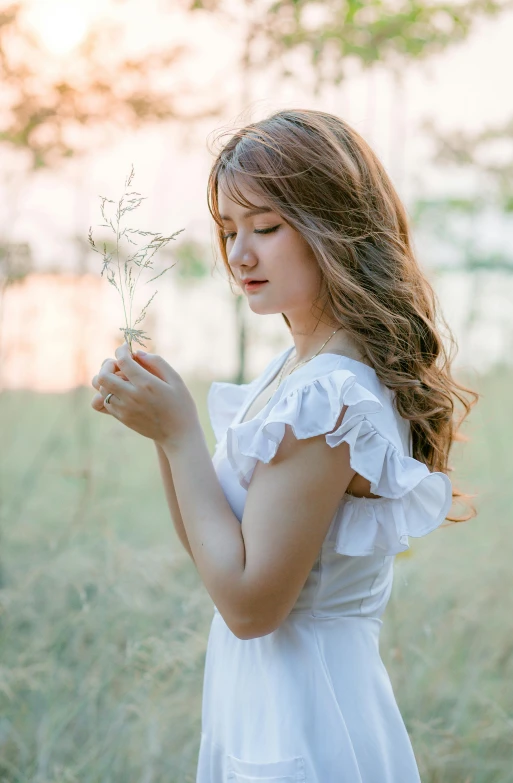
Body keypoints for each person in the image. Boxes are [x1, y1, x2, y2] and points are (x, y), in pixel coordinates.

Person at [92, 108, 478, 782]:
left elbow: (249, 606)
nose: (240, 254)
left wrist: (181, 431)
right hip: (263, 710)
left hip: (308, 722)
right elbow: (219, 555)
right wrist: (160, 430)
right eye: (229, 229)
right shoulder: (293, 371)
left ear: (334, 230)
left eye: (266, 228)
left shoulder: (329, 396)